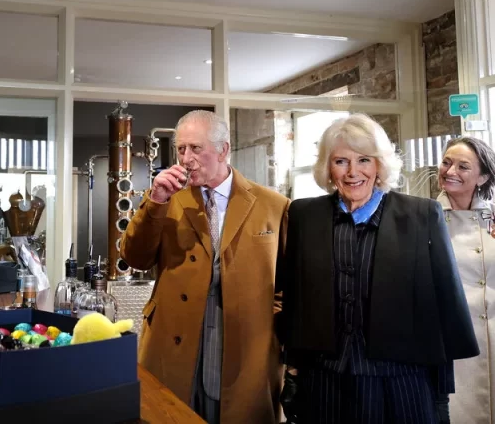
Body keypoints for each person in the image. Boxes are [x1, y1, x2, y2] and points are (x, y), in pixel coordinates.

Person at [278, 114, 479, 424]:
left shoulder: (421, 215)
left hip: (402, 382)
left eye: (364, 160)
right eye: (341, 161)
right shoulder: (305, 215)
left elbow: (442, 308)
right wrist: (293, 373)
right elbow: (294, 301)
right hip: (325, 382)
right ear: (328, 168)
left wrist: (441, 396)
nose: (353, 172)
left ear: (380, 165)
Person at [120, 109, 289, 424]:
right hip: (174, 339)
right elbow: (135, 258)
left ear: (223, 150)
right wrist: (156, 202)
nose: (185, 158)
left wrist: (270, 329)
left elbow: (288, 284)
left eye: (195, 148)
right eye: (180, 149)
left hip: (245, 347)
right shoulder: (164, 198)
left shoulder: (274, 206)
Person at [436, 136, 495, 424]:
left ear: (483, 177)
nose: (450, 171)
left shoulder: (493, 216)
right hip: (453, 344)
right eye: (446, 162)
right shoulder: (423, 218)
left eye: (463, 166)